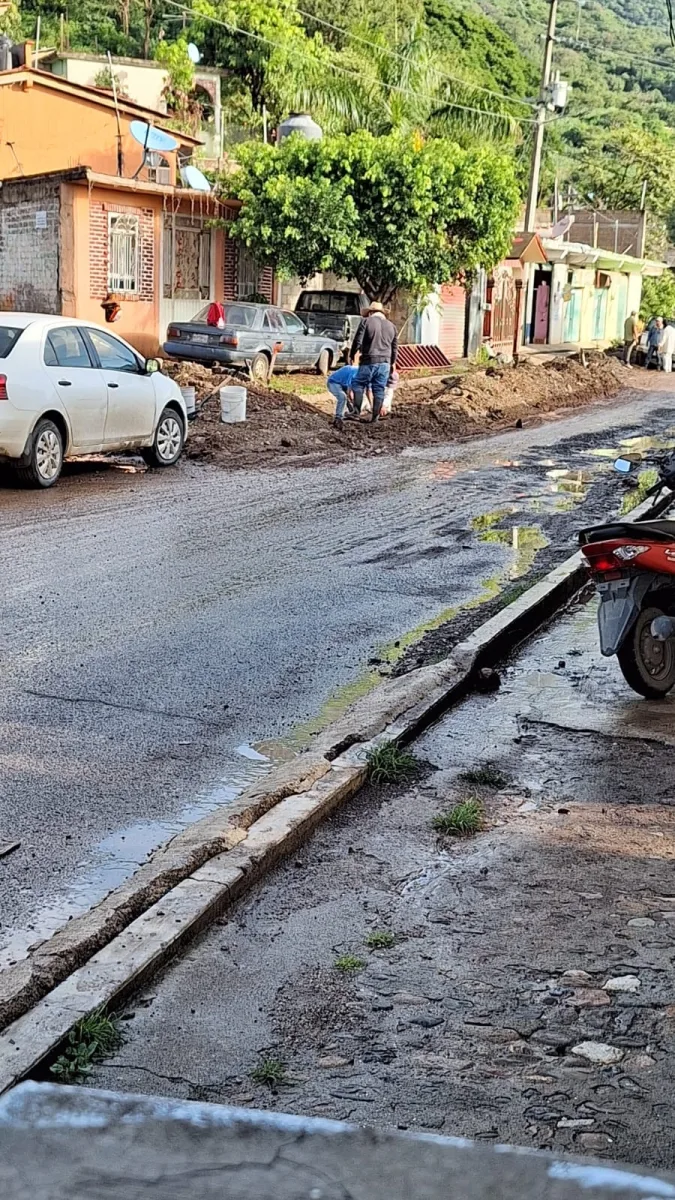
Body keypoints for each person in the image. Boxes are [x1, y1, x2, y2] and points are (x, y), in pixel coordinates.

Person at [350, 302, 398, 423]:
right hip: (385, 363)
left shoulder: (366, 322)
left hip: (369, 360)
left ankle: (356, 412)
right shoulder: (392, 326)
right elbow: (395, 348)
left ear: (370, 313)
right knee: (379, 388)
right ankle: (375, 417)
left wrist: (352, 355)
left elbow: (358, 341)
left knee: (358, 384)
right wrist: (391, 363)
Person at [327, 362, 359, 430]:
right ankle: (338, 417)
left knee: (348, 399)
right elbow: (349, 392)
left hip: (343, 384)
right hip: (333, 382)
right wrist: (354, 402)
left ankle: (351, 412)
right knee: (342, 397)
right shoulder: (354, 372)